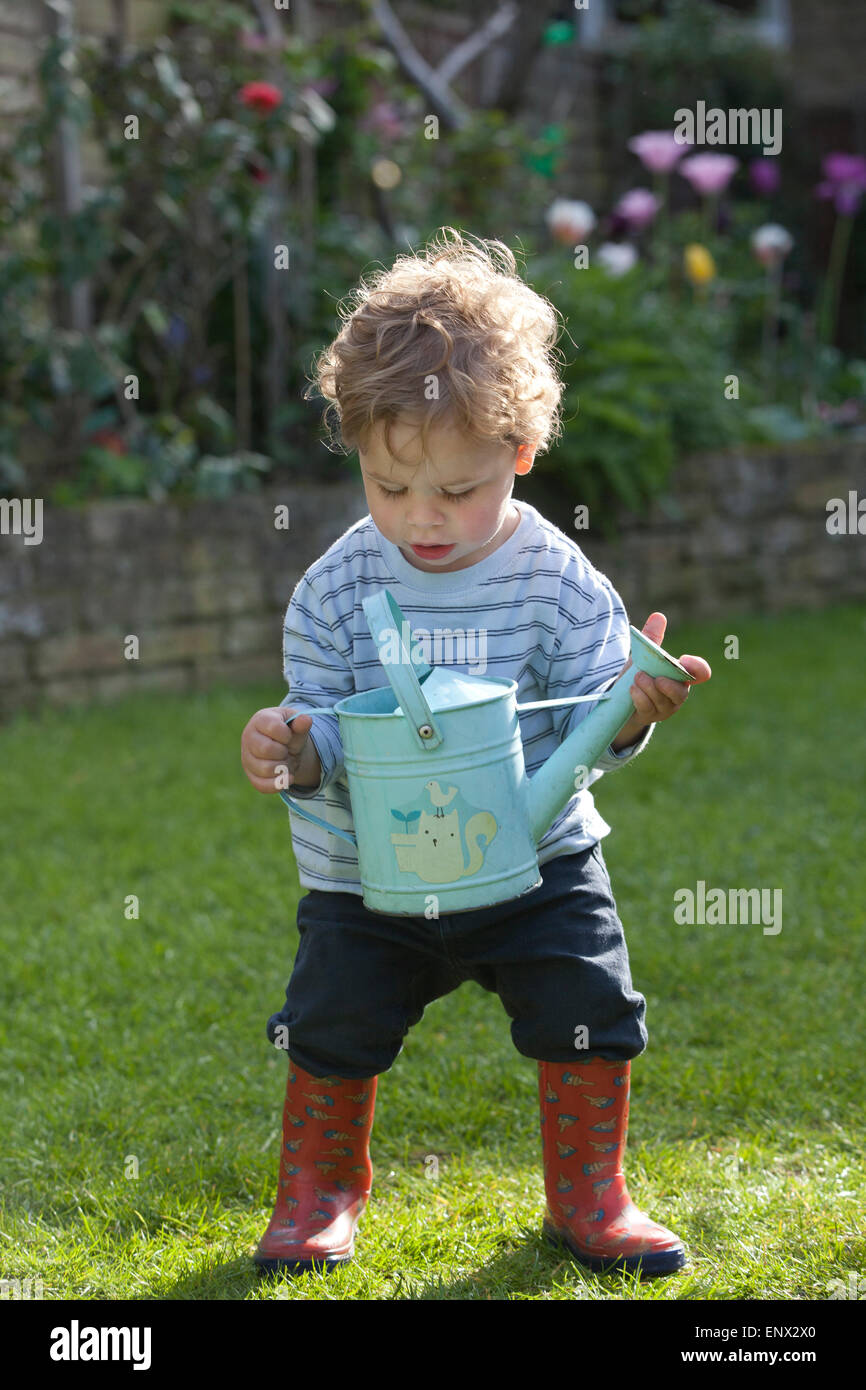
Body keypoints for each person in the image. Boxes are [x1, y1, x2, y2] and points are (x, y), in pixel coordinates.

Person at [240, 228, 711, 1281]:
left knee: (587, 1003)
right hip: (371, 872)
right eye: (389, 486)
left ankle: (590, 1197)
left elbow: (596, 716)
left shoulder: (551, 575)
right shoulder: (333, 589)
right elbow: (314, 736)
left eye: (456, 490)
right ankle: (319, 1193)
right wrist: (286, 747)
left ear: (520, 450)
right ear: (358, 451)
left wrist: (632, 709)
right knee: (329, 1018)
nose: (422, 520)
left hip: (534, 856)